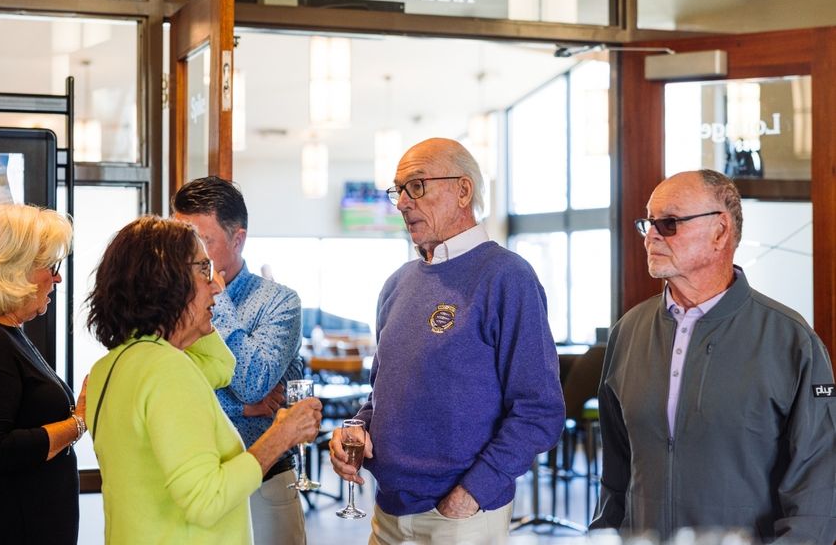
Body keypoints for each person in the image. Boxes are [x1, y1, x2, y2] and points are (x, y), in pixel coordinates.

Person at [329, 138, 565, 545]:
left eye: (416, 186)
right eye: (399, 190)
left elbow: (539, 410)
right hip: (386, 514)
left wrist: (472, 493)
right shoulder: (397, 284)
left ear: (463, 190)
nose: (403, 203)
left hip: (459, 518)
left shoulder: (507, 277)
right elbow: (381, 394)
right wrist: (359, 429)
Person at [591, 169, 836, 543]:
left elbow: (817, 487)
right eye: (649, 223)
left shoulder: (791, 340)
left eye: (669, 223)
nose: (651, 236)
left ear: (720, 231)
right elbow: (615, 474)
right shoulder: (628, 332)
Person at [84, 216, 321, 544]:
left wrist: (191, 320)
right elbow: (206, 500)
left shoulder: (112, 365)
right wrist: (281, 436)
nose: (217, 286)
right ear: (167, 282)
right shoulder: (168, 369)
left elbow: (223, 367)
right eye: (203, 270)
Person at [172, 176, 306, 545]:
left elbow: (253, 383)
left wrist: (215, 297)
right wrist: (242, 409)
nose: (189, 255)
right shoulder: (168, 304)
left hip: (265, 482)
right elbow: (170, 395)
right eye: (181, 240)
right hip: (192, 481)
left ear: (238, 239)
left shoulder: (280, 302)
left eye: (203, 242)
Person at [0, 203, 86, 544]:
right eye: (50, 266)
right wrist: (79, 422)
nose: (57, 278)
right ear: (12, 268)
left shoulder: (4, 334)